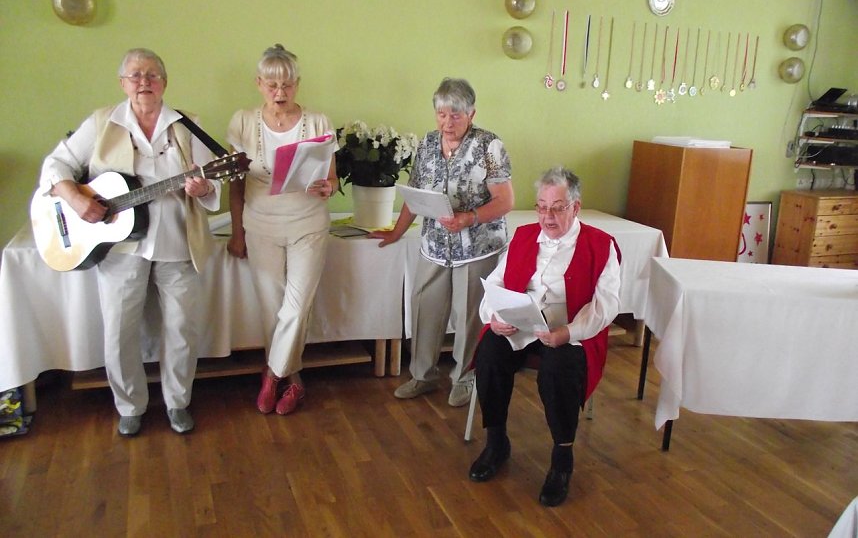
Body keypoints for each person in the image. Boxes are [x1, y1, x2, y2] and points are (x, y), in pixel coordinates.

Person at [38, 48, 221, 436]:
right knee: (120, 330)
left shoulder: (188, 125)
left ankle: (177, 402)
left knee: (182, 328)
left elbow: (213, 187)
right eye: (135, 76)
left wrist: (204, 187)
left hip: (177, 242)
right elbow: (55, 166)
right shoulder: (102, 122)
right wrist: (75, 198)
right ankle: (130, 404)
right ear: (122, 83)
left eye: (152, 75)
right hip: (117, 248)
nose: (144, 82)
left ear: (165, 82)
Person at [467, 167, 620, 507]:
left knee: (558, 369)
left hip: (569, 331)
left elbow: (606, 304)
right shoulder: (523, 236)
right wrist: (494, 317)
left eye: (557, 207)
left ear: (575, 207)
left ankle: (562, 459)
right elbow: (496, 282)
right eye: (541, 207)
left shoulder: (600, 244)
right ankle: (496, 442)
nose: (547, 216)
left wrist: (569, 332)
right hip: (522, 325)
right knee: (490, 351)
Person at [370, 77, 514, 407]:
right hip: (434, 244)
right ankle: (422, 375)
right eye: (441, 114)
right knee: (425, 307)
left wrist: (469, 217)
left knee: (468, 315)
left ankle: (465, 378)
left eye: (456, 115)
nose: (447, 122)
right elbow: (415, 193)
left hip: (477, 246)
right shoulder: (427, 144)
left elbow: (504, 200)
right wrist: (396, 231)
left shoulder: (489, 147)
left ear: (472, 113)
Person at [226, 44, 337, 416]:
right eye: (272, 84)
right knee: (272, 308)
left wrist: (328, 187)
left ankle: (272, 375)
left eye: (287, 84)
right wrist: (237, 232)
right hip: (259, 224)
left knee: (296, 306)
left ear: (297, 84)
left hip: (308, 223)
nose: (280, 92)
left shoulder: (319, 121)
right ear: (259, 83)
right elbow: (236, 184)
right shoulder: (242, 121)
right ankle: (295, 379)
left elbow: (331, 180)